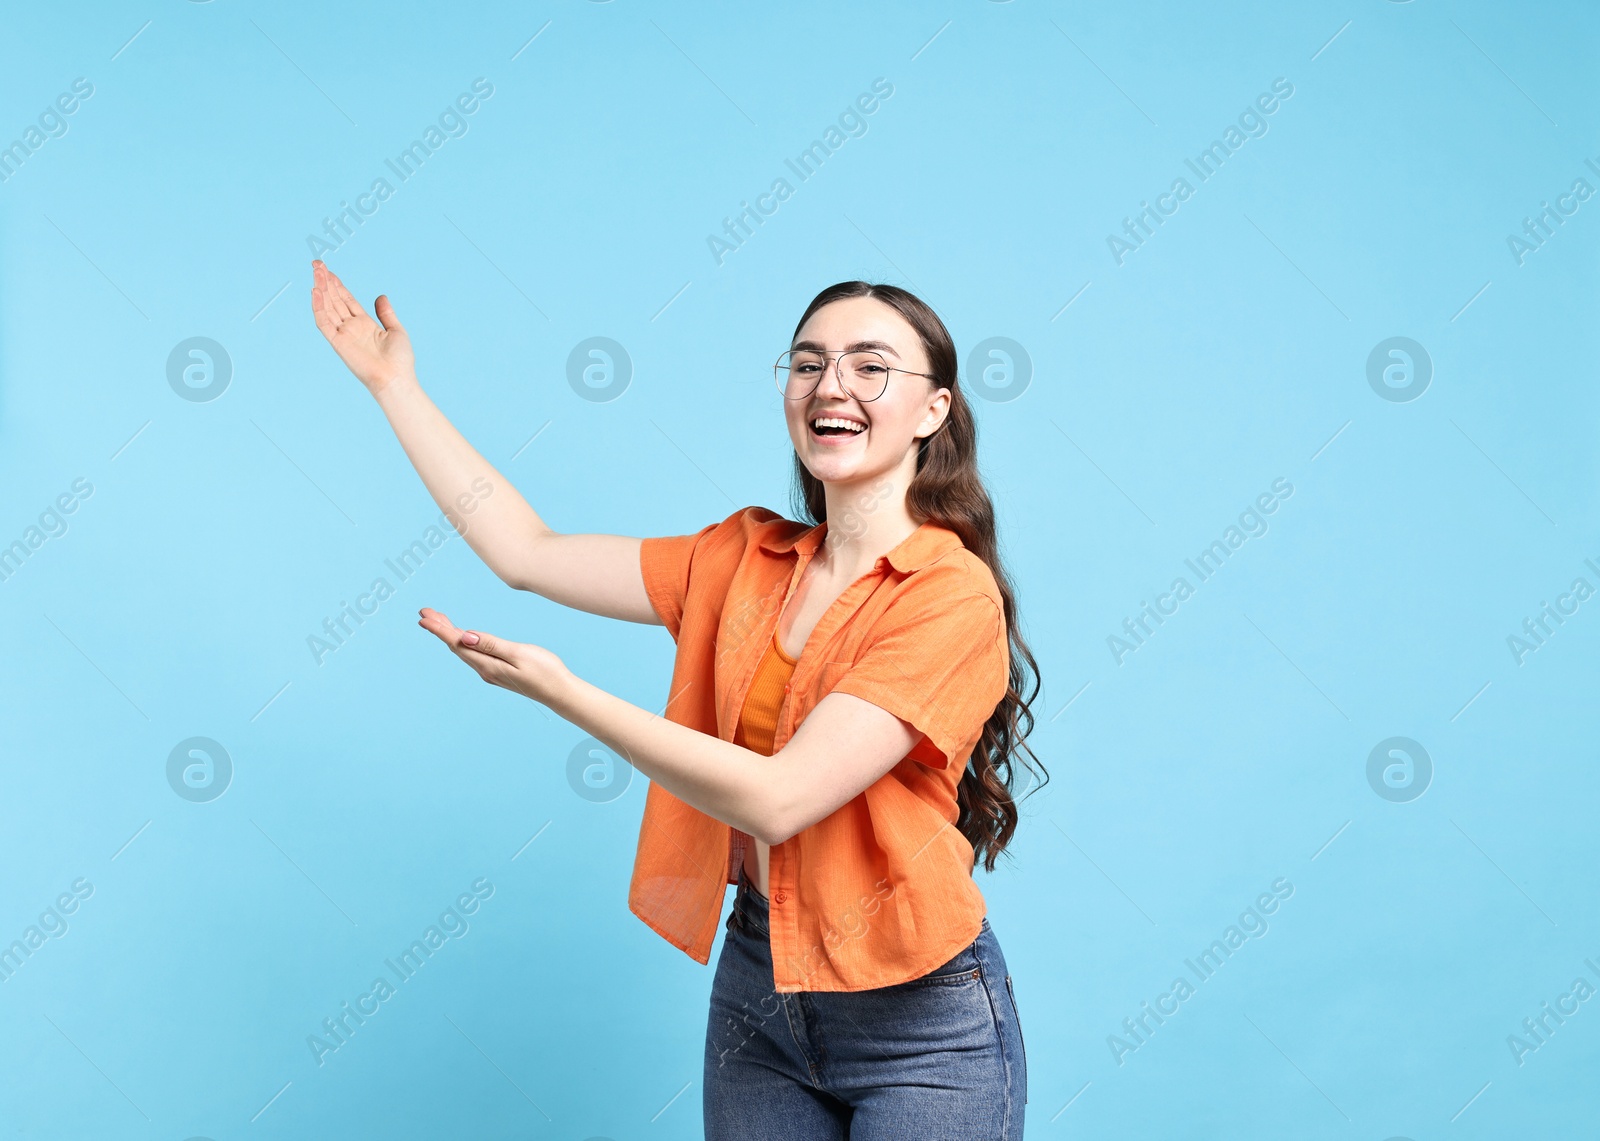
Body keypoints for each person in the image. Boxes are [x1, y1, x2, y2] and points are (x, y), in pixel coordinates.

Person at [310, 261, 1044, 1138]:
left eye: (870, 365)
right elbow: (525, 550)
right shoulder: (743, 557)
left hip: (915, 1020)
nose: (830, 385)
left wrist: (566, 695)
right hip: (759, 987)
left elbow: (782, 797)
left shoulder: (948, 596)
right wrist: (396, 387)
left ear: (934, 409)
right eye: (808, 363)